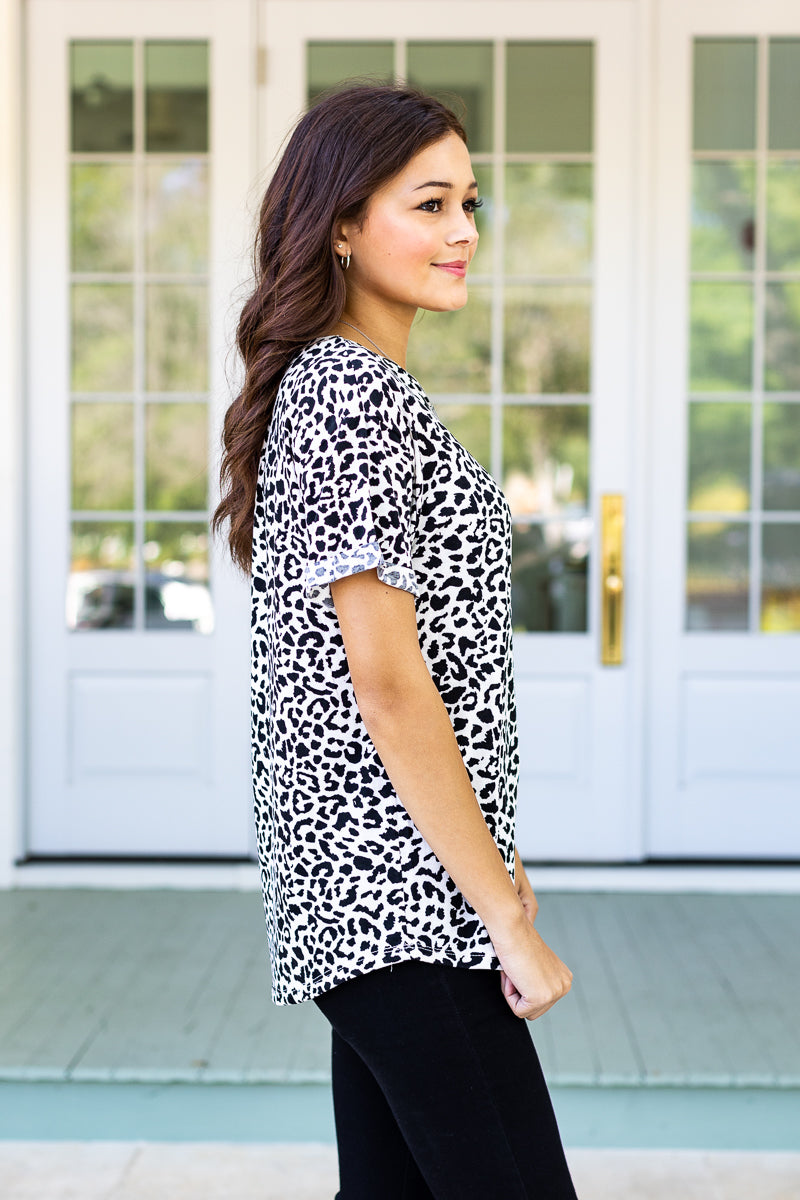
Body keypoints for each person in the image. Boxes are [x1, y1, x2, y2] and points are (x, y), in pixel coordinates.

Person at [214, 82, 578, 1200]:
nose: (463, 231)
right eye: (428, 203)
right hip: (399, 905)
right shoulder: (349, 397)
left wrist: (495, 872)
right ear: (337, 223)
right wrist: (500, 919)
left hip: (390, 899)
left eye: (470, 201)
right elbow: (386, 683)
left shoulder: (351, 391)